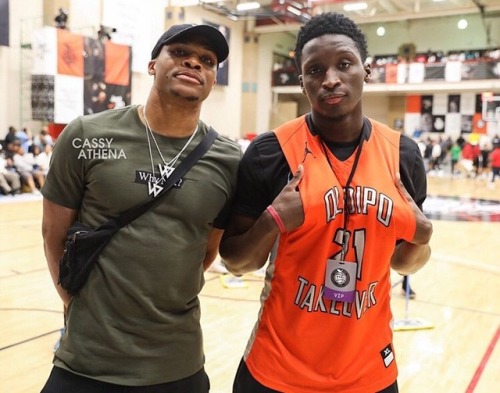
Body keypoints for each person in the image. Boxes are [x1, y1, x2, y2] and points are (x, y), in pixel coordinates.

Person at [219, 12, 433, 393]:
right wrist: (272, 220)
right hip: (278, 368)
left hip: (369, 369)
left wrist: (421, 236)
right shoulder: (271, 152)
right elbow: (236, 262)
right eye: (315, 69)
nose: (331, 79)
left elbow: (406, 262)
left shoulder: (403, 155)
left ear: (366, 71)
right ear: (302, 82)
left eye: (344, 64)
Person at [40, 23, 241, 393]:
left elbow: (208, 249)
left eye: (206, 60)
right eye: (180, 53)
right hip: (86, 359)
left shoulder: (228, 159)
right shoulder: (87, 136)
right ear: (152, 65)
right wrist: (71, 300)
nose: (194, 63)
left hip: (176, 363)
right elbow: (54, 232)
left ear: (213, 79)